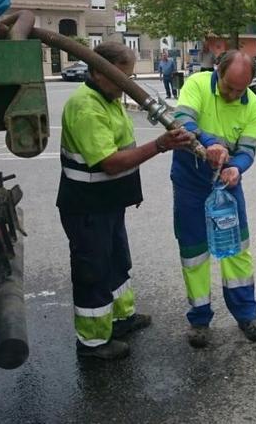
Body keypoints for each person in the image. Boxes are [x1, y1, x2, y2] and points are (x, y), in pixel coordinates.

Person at [57, 42, 195, 360]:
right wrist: (160, 145)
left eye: (128, 80)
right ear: (96, 71)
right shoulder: (86, 106)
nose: (124, 88)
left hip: (108, 202)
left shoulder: (108, 98)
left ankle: (121, 318)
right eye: (120, 79)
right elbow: (110, 162)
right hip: (87, 206)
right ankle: (92, 342)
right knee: (93, 269)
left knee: (117, 261)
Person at [171, 50, 256, 347]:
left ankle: (247, 314)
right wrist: (209, 144)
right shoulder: (197, 85)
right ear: (217, 72)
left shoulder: (253, 105)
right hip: (190, 181)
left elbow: (248, 151)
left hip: (226, 185)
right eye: (229, 87)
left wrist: (236, 168)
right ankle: (199, 319)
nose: (234, 94)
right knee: (194, 251)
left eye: (242, 89)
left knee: (236, 251)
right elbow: (182, 121)